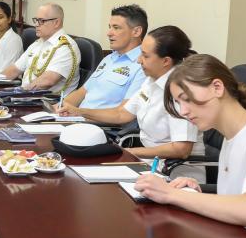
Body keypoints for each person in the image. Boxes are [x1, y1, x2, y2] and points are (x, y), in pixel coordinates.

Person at [135, 54, 246, 225]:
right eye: (178, 103)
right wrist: (195, 191)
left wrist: (171, 194)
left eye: (187, 99)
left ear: (217, 87)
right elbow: (236, 196)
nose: (183, 111)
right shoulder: (231, 136)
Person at [58, 26, 201, 162]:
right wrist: (78, 111)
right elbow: (122, 114)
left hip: (174, 172)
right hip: (147, 161)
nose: (139, 60)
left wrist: (128, 152)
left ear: (166, 61)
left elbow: (181, 149)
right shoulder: (150, 81)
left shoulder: (181, 92)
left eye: (145, 56)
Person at [56, 4, 148, 110]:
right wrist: (57, 109)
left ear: (136, 32)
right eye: (110, 27)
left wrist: (79, 113)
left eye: (116, 28)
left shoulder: (143, 65)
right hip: (77, 119)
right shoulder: (109, 59)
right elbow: (82, 92)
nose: (109, 33)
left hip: (101, 125)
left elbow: (122, 114)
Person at [0, 3, 81, 96]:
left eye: (41, 21)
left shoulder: (65, 47)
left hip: (48, 103)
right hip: (27, 97)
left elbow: (48, 81)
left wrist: (18, 93)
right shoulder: (39, 43)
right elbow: (14, 70)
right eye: (36, 20)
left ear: (56, 23)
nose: (36, 25)